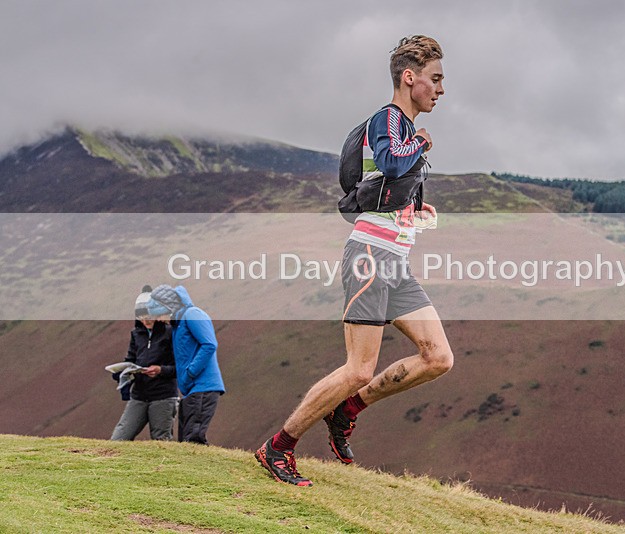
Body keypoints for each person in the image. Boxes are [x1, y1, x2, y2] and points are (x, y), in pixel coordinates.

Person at [255, 35, 452, 486]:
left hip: (395, 259)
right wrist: (420, 143)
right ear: (410, 77)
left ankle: (346, 410)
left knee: (438, 357)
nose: (440, 90)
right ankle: (277, 448)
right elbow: (391, 161)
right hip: (370, 256)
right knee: (358, 368)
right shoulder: (389, 120)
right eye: (435, 79)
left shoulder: (402, 125)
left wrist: (415, 211)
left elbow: (388, 185)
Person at [147, 284, 225, 445]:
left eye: (159, 315)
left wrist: (190, 373)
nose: (160, 320)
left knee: (193, 439)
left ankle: (204, 469)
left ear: (168, 307)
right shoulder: (178, 324)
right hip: (191, 390)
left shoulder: (192, 315)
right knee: (186, 442)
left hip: (203, 387)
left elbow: (209, 344)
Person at [111, 285, 179, 441]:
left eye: (149, 315)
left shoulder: (170, 333)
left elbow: (180, 367)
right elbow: (130, 360)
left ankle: (163, 467)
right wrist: (122, 372)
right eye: (141, 316)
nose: (146, 320)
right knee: (119, 438)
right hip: (139, 396)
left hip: (164, 397)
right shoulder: (136, 334)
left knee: (161, 442)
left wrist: (160, 370)